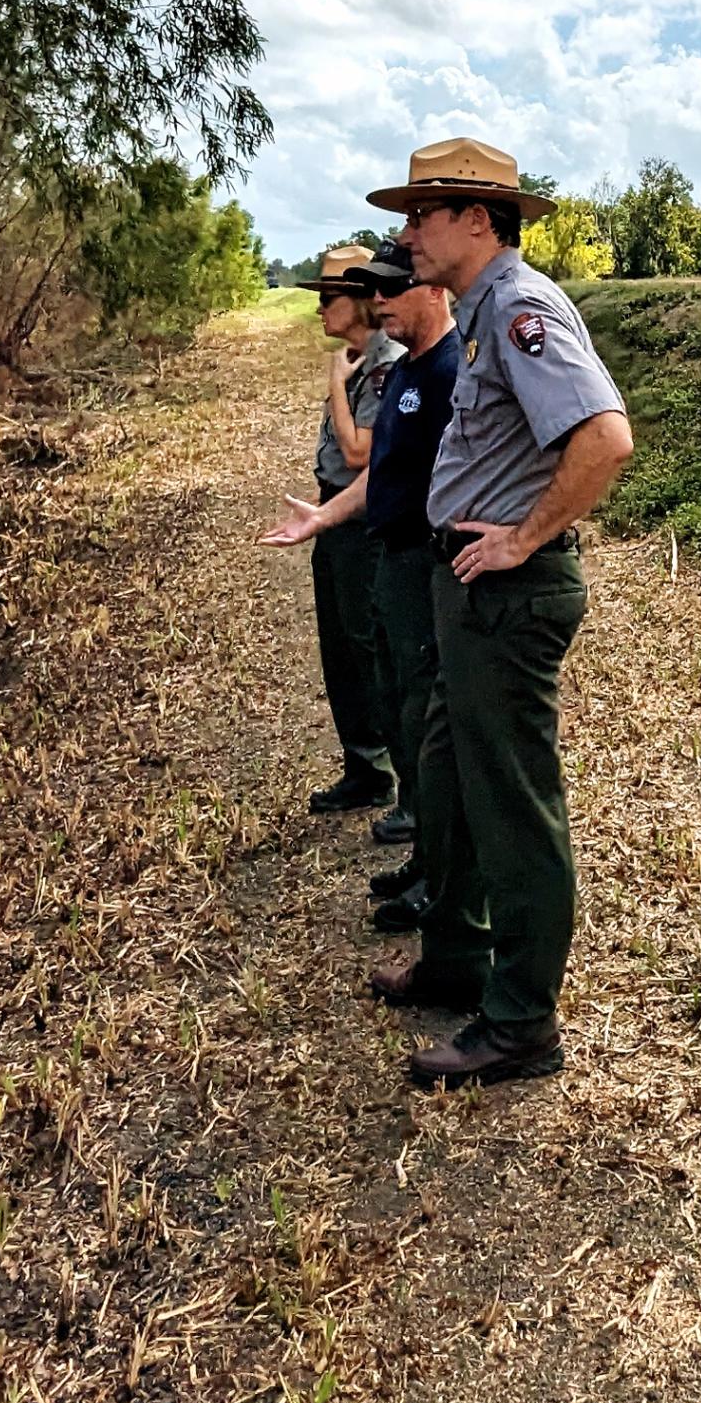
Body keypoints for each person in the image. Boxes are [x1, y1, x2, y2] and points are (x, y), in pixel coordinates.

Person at [362, 138, 633, 1090]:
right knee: (447, 775)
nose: (407, 234)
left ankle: (520, 1021)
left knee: (511, 804)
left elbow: (604, 438)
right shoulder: (482, 314)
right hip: (465, 587)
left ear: (478, 221)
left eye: (422, 214)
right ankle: (457, 959)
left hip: (506, 593)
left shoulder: (519, 309)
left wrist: (523, 536)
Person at [262, 238, 459, 929]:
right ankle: (424, 860)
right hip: (380, 536)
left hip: (419, 552)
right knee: (385, 682)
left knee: (421, 706)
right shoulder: (406, 369)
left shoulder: (431, 368)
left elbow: (365, 456)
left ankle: (437, 869)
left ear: (431, 288)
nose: (377, 302)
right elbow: (377, 471)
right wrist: (322, 516)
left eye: (389, 287)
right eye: (367, 289)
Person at [290, 245, 402, 812]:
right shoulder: (363, 359)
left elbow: (361, 453)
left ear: (359, 301)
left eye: (328, 298)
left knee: (365, 648)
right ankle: (364, 765)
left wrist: (337, 383)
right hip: (338, 513)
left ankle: (384, 768)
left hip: (362, 521)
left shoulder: (381, 366)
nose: (320, 311)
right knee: (339, 647)